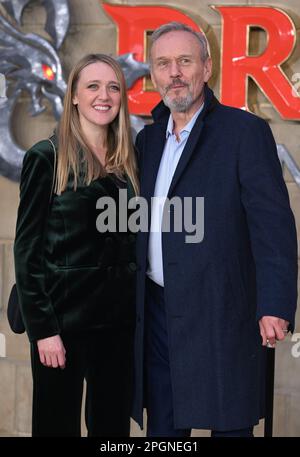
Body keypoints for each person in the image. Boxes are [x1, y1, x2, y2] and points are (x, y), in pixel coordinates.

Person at [132, 22, 298, 437]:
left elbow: (273, 227)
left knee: (230, 425)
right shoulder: (147, 141)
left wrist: (275, 304)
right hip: (157, 313)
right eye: (164, 63)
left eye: (185, 61)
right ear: (153, 75)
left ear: (206, 68)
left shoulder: (245, 133)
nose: (175, 73)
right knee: (164, 430)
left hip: (224, 311)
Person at [14, 54, 138, 437]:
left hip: (116, 329)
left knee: (112, 431)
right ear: (74, 97)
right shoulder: (46, 157)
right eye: (93, 86)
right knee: (56, 428)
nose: (104, 96)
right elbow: (27, 252)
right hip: (62, 327)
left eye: (113, 86)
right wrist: (44, 331)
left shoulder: (128, 162)